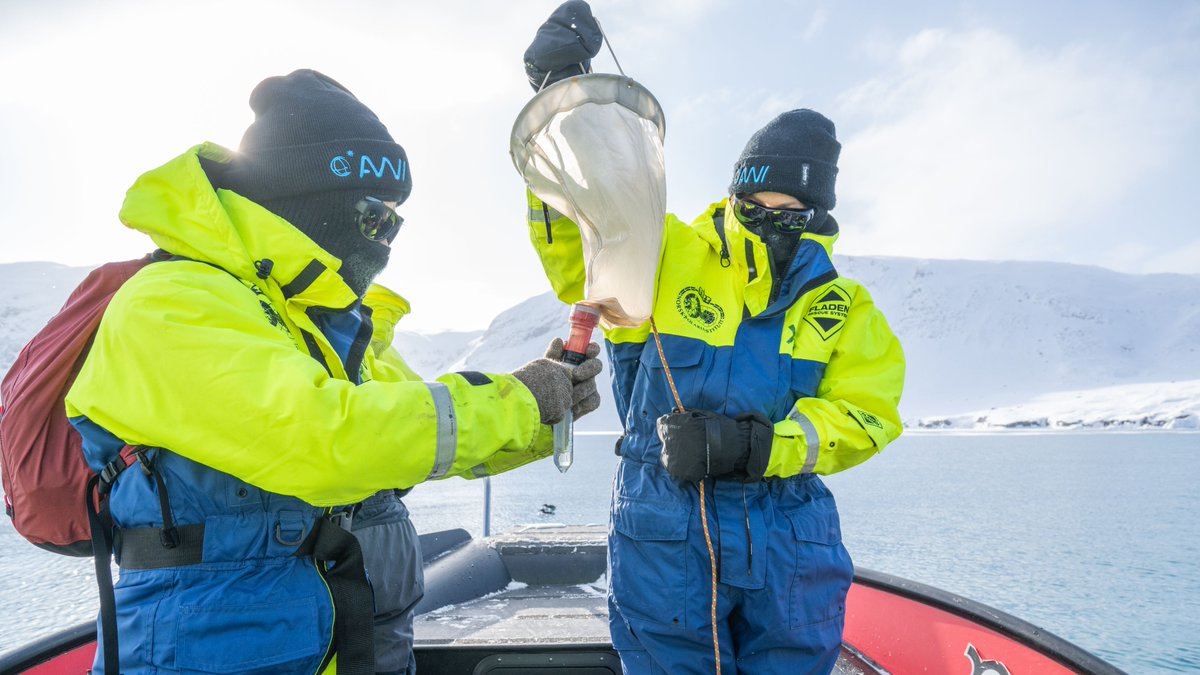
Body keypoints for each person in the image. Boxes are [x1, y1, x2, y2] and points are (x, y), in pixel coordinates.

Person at [64, 69, 602, 675]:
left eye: (395, 222)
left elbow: (417, 432)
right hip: (215, 652)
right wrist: (518, 401)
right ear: (308, 197)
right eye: (374, 216)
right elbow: (327, 441)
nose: (385, 238)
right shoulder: (172, 303)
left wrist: (541, 412)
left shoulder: (326, 323)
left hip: (351, 642)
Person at [521, 6, 905, 674]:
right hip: (663, 532)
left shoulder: (845, 308)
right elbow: (582, 231)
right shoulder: (664, 250)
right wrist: (561, 92)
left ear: (819, 216)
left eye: (792, 213)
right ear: (736, 192)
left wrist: (761, 446)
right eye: (755, 204)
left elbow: (867, 415)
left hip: (789, 539)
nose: (768, 222)